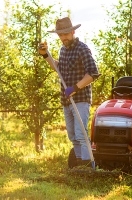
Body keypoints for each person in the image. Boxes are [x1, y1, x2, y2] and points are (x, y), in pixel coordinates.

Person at [39, 17, 100, 166]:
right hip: (66, 100)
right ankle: (79, 163)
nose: (63, 37)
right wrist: (46, 55)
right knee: (72, 135)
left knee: (81, 134)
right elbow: (59, 68)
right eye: (60, 35)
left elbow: (93, 73)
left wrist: (75, 88)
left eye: (66, 34)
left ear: (73, 31)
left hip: (80, 99)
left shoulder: (82, 49)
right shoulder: (63, 50)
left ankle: (88, 164)